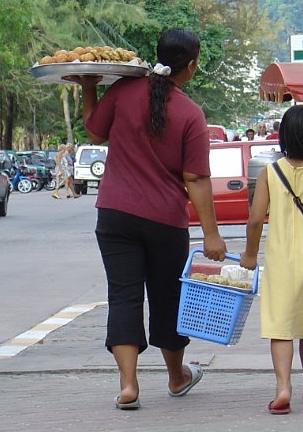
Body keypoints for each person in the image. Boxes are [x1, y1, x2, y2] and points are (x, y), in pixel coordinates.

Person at [76, 29, 226, 411]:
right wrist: (212, 235)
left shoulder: (125, 90)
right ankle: (177, 377)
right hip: (165, 221)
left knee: (123, 297)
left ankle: (128, 385)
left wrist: (89, 86)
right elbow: (196, 179)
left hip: (114, 215)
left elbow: (94, 129)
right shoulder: (191, 114)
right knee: (167, 299)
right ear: (191, 66)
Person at [241, 105, 303, 415]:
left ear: (284, 137)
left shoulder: (271, 172)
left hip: (279, 257)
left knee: (280, 324)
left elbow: (256, 219)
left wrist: (249, 254)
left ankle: (282, 387)